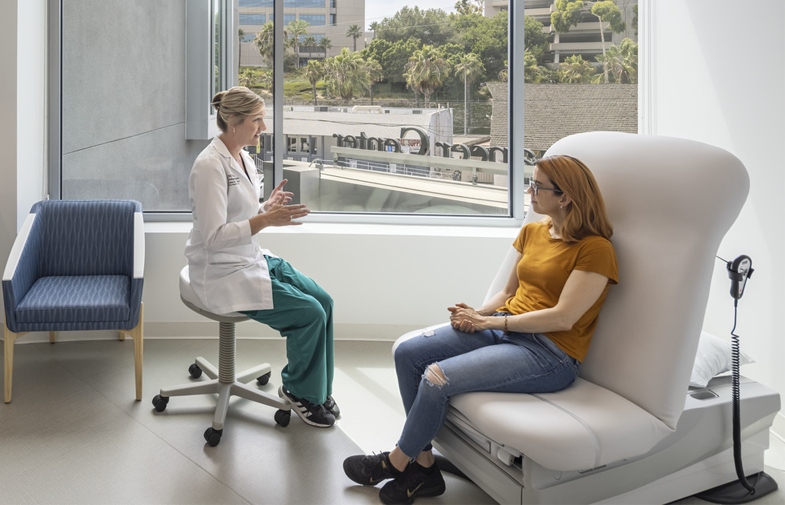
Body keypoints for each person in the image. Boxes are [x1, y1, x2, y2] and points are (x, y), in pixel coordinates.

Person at [343, 154, 618, 505]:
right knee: (408, 352)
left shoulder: (596, 249)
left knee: (436, 376)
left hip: (548, 352)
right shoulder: (532, 231)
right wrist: (477, 313)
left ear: (564, 197)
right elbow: (507, 293)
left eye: (537, 186)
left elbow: (563, 317)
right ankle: (424, 467)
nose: (530, 191)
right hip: (504, 328)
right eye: (531, 182)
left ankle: (395, 462)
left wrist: (490, 321)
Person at [185, 86, 338, 428]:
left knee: (323, 301)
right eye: (257, 120)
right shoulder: (209, 166)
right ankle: (300, 392)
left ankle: (317, 389)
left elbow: (239, 212)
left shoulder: (242, 155)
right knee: (308, 314)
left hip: (248, 257)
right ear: (233, 121)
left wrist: (264, 207)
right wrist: (265, 219)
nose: (263, 127)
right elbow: (212, 237)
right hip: (221, 271)